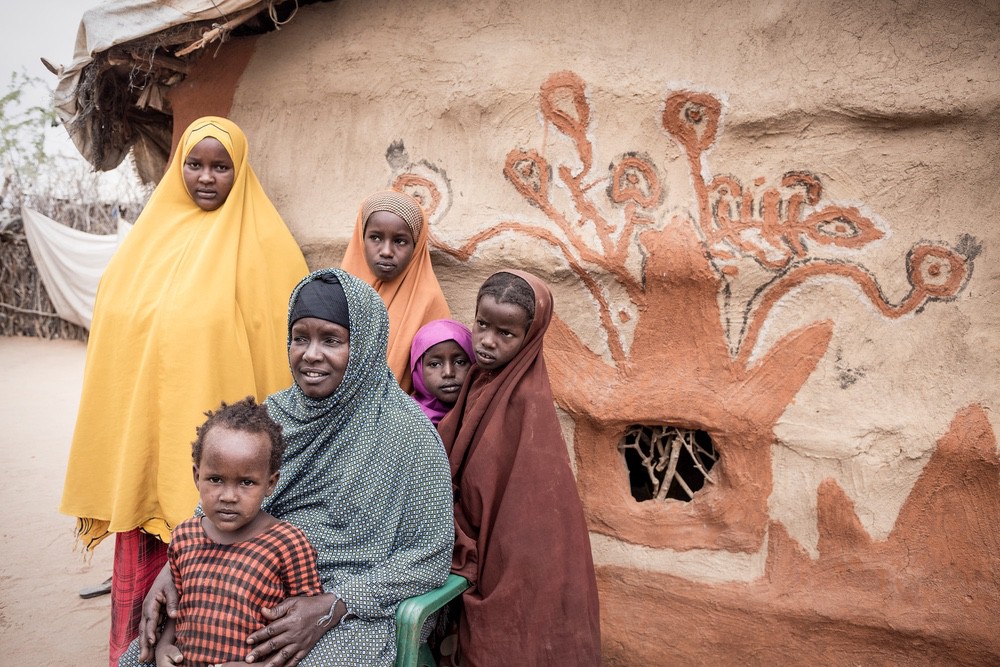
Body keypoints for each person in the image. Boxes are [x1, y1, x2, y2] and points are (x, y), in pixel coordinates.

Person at [59, 116, 309, 667]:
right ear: (178, 167)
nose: (206, 177)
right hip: (149, 450)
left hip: (227, 473)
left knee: (210, 628)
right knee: (145, 626)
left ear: (239, 171)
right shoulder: (142, 246)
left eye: (221, 167)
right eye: (194, 164)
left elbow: (280, 355)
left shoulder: (267, 249)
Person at [124, 269, 454, 667]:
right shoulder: (274, 417)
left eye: (331, 340)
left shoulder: (408, 433)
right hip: (249, 579)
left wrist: (332, 605)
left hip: (361, 608)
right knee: (146, 655)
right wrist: (172, 574)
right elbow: (215, 508)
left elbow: (428, 556)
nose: (310, 354)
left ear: (365, 343)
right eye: (300, 338)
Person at [437, 270, 602, 666]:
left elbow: (490, 491)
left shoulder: (523, 401)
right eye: (481, 325)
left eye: (506, 334)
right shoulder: (481, 378)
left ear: (530, 336)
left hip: (516, 562)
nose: (488, 341)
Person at [155, 396, 323, 667]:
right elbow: (175, 608)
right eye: (215, 479)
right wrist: (163, 647)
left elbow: (303, 623)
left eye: (246, 482)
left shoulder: (287, 542)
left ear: (270, 484)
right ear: (197, 476)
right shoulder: (184, 536)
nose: (229, 496)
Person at [340, 190, 450, 391]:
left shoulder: (429, 303)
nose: (386, 251)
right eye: (375, 238)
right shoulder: (339, 293)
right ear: (360, 238)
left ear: (416, 246)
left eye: (400, 241)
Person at [409, 319, 475, 425]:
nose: (448, 373)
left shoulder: (482, 412)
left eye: (460, 362)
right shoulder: (407, 420)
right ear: (419, 369)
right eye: (435, 364)